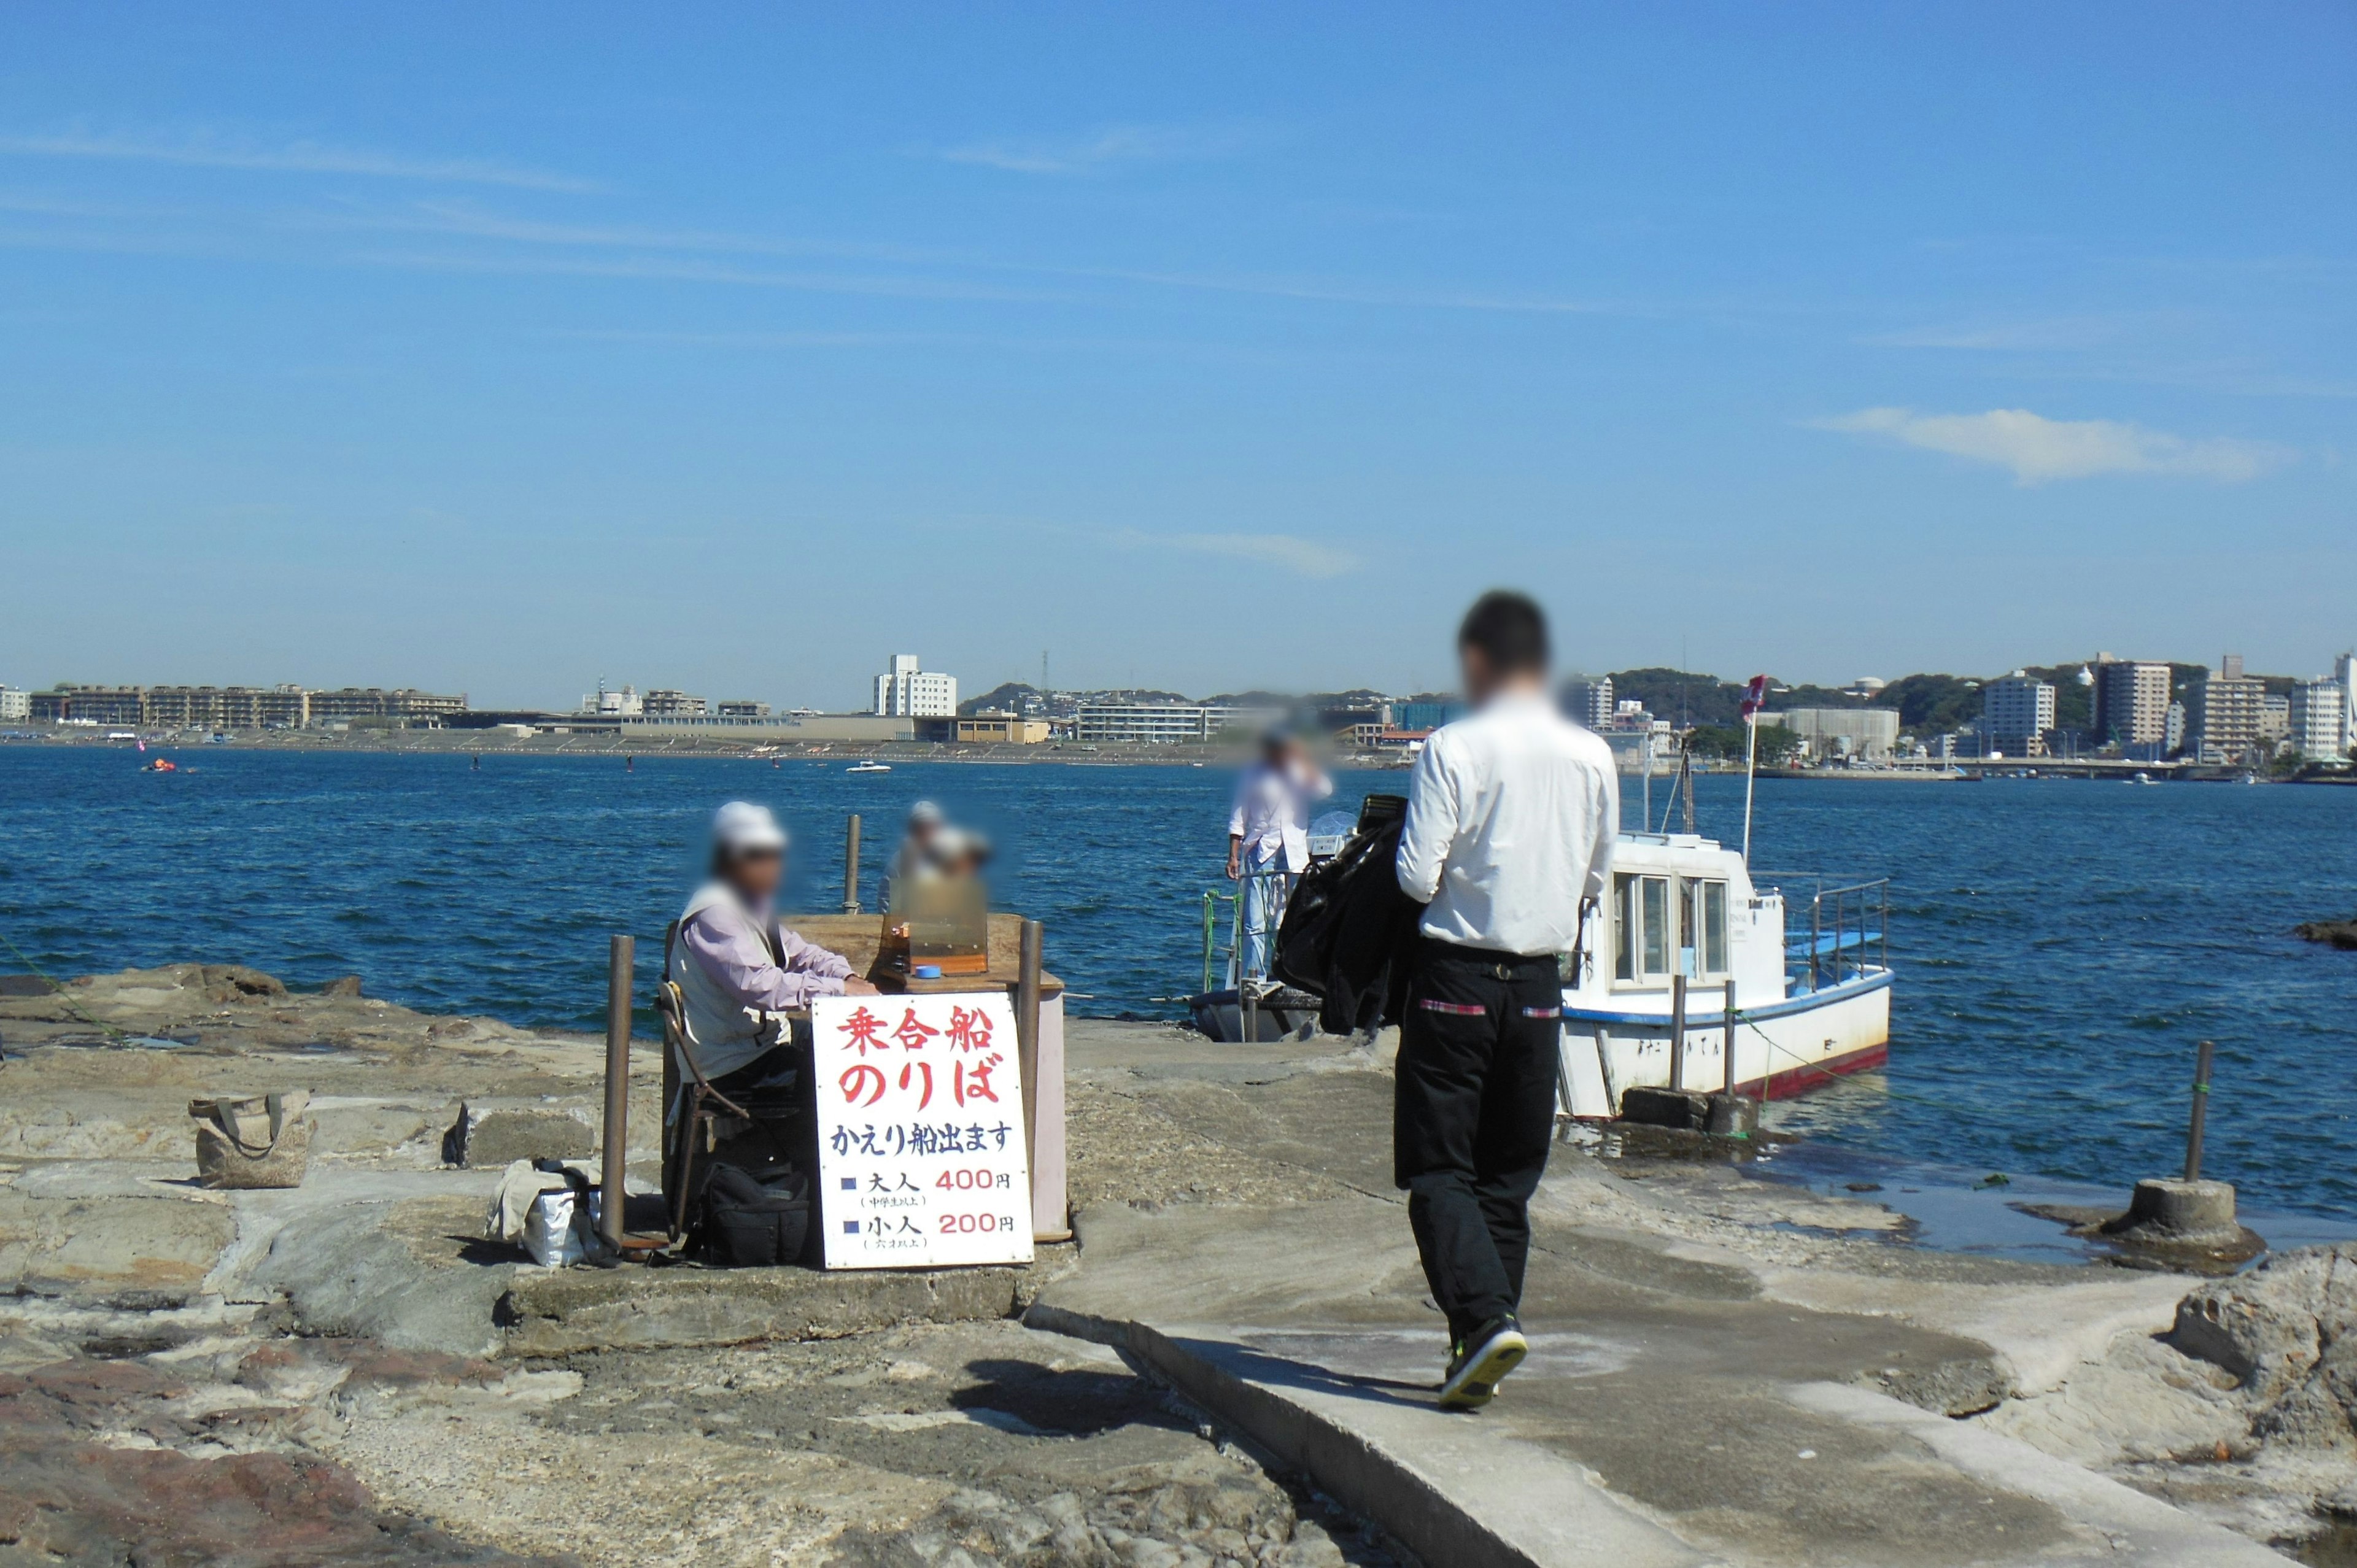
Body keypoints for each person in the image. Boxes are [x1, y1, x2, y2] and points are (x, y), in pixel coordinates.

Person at [1393, 591, 1617, 1409]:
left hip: (1456, 976)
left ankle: (1483, 1320)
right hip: (1538, 985)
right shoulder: (1593, 754)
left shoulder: (1452, 746)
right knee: (1507, 1176)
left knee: (1438, 1167)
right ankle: (1482, 1341)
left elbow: (1417, 876)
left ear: (1479, 662)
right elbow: (1597, 874)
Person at [668, 801, 880, 1088]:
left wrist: (847, 976)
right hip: (732, 1064)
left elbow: (800, 953)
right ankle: (808, 1133)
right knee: (842, 1069)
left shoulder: (750, 902)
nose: (775, 864)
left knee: (849, 1041)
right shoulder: (715, 914)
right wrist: (841, 991)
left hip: (759, 1044)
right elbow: (758, 986)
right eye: (760, 854)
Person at [1225, 728, 1333, 981]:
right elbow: (1238, 817)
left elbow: (1324, 789)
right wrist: (1233, 855)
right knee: (1255, 917)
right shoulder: (1253, 773)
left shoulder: (1298, 770)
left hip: (1293, 850)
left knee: (1291, 915)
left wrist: (1303, 761)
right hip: (1261, 849)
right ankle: (1254, 975)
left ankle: (1288, 974)